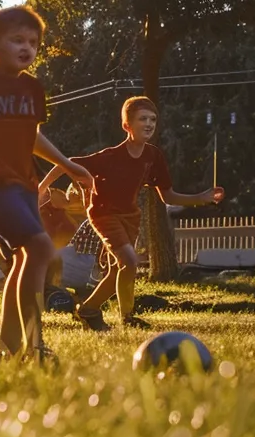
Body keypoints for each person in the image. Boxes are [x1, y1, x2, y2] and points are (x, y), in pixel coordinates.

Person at [0, 5, 94, 356]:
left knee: (23, 258)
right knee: (41, 247)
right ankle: (36, 342)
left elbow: (32, 137)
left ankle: (7, 345)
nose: (26, 48)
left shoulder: (33, 88)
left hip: (25, 185)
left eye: (33, 42)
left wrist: (68, 164)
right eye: (17, 40)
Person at [42, 96, 223, 330]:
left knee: (119, 268)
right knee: (129, 261)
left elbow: (167, 196)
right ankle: (127, 317)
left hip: (130, 217)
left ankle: (87, 309)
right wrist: (42, 188)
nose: (149, 124)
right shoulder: (109, 157)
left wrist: (201, 198)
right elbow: (65, 163)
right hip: (103, 214)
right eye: (142, 119)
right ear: (127, 125)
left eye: (153, 120)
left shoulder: (153, 156)